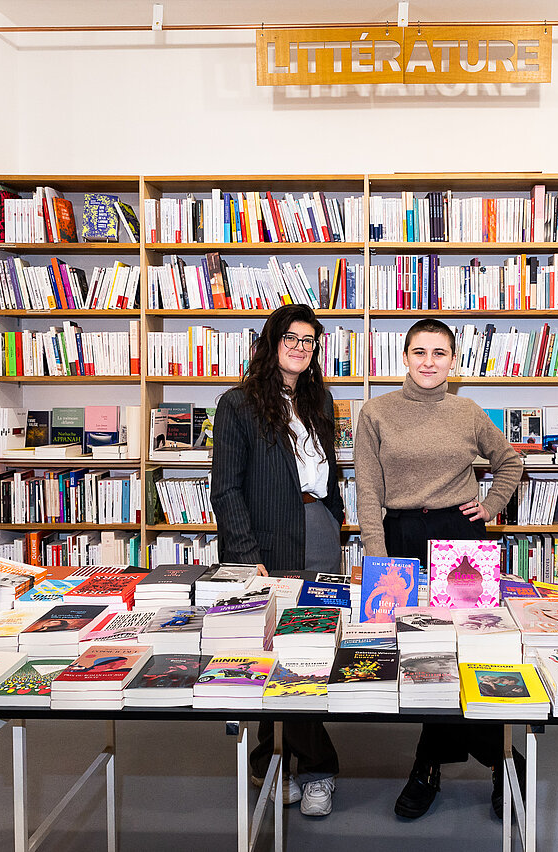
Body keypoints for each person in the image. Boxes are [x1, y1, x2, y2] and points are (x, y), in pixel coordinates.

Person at [354, 317, 525, 821]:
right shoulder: (376, 412)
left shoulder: (468, 412)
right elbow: (367, 493)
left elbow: (510, 462)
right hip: (401, 538)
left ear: (453, 360)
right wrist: (378, 558)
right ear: (404, 357)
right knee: (424, 652)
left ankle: (447, 766)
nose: (429, 361)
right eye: (419, 351)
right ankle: (481, 761)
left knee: (471, 651)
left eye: (440, 352)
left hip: (461, 544)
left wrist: (490, 506)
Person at [210, 303, 344, 818]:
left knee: (311, 652)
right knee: (273, 655)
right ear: (270, 341)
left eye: (310, 340)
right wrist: (246, 558)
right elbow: (226, 489)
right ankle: (279, 762)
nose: (300, 347)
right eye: (291, 337)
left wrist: (331, 516)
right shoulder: (238, 403)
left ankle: (308, 771)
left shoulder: (320, 400)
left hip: (318, 533)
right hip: (266, 545)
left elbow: (325, 473)